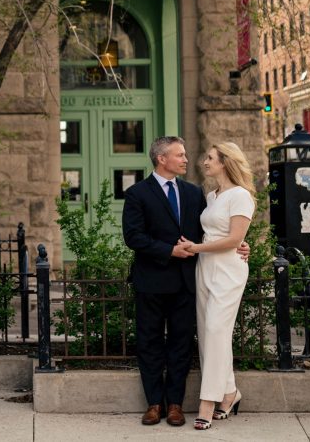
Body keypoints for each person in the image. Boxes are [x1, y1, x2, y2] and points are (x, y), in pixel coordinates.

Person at [121, 136, 249, 427]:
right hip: (151, 281)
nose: (186, 160)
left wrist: (242, 244)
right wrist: (169, 250)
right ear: (161, 159)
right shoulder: (138, 193)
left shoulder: (195, 193)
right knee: (150, 342)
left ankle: (176, 405)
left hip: (188, 282)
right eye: (179, 155)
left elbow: (213, 230)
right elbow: (134, 237)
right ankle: (155, 403)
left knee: (181, 344)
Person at [178, 142, 256, 431]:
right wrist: (199, 249)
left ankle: (207, 404)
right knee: (210, 334)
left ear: (225, 162)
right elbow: (215, 231)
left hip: (228, 270)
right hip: (205, 269)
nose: (204, 162)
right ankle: (229, 393)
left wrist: (196, 247)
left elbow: (235, 239)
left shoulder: (241, 196)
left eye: (210, 158)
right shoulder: (212, 196)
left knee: (215, 330)